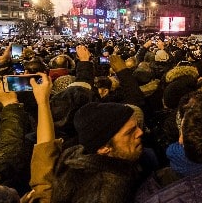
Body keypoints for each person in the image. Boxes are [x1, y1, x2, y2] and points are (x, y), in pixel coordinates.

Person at [22, 72, 147, 203]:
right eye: (130, 132)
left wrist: (43, 102)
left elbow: (45, 156)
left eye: (137, 126)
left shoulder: (74, 159)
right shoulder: (105, 193)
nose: (140, 133)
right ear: (104, 148)